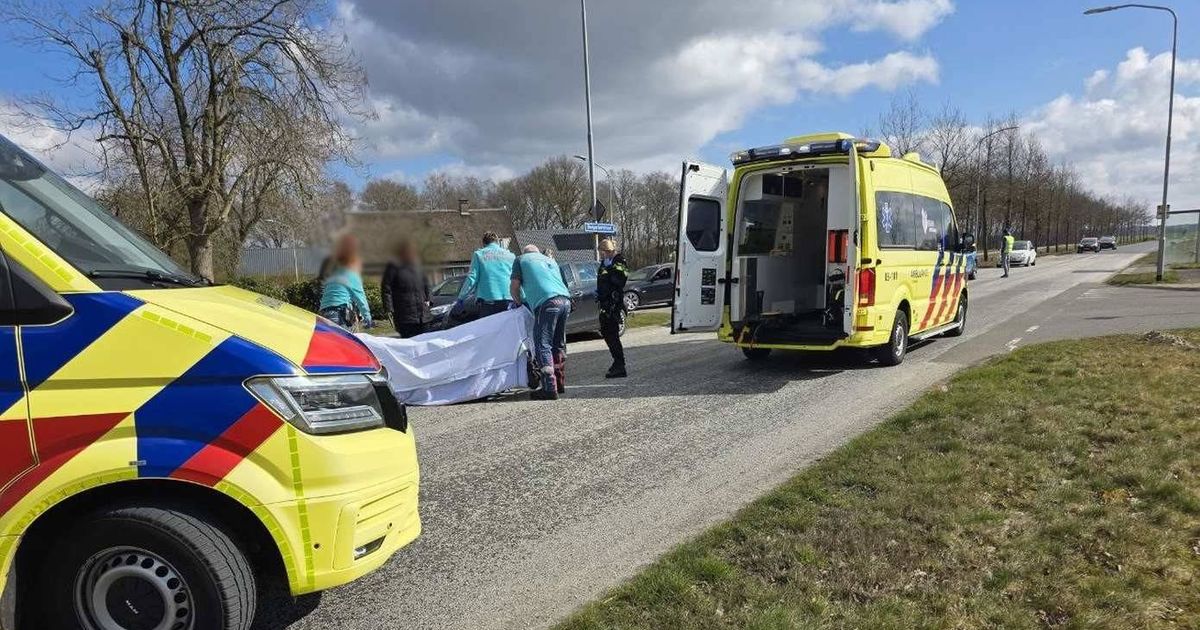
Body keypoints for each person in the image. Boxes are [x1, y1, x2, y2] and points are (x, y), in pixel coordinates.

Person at [511, 244, 571, 400]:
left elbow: (515, 286)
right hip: (565, 301)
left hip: (547, 302)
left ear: (525, 253)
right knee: (558, 343)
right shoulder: (550, 260)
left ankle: (549, 388)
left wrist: (519, 303)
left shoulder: (520, 260)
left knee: (543, 344)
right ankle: (560, 382)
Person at [319, 233, 372, 329]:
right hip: (339, 314)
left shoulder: (334, 274)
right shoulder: (351, 275)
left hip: (323, 314)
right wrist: (368, 318)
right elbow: (361, 299)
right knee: (343, 338)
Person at [458, 231, 517, 318]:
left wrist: (461, 297)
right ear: (497, 242)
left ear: (484, 243)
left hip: (489, 300)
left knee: (490, 326)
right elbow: (516, 278)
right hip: (509, 299)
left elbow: (472, 278)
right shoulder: (510, 255)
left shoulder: (479, 255)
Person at [381, 239, 431, 338]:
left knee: (425, 341)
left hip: (423, 316)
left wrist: (429, 299)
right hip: (405, 317)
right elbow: (386, 288)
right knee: (409, 343)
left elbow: (427, 284)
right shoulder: (393, 266)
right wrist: (389, 308)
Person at [596, 239, 629, 378]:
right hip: (604, 303)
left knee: (612, 334)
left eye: (602, 252)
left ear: (608, 251)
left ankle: (620, 365)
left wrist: (610, 269)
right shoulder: (604, 263)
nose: (601, 255)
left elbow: (619, 280)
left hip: (613, 303)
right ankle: (617, 362)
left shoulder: (619, 261)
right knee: (606, 332)